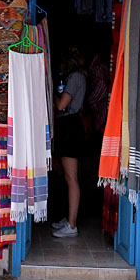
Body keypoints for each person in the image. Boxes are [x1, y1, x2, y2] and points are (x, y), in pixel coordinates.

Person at [51, 47, 86, 238]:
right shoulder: (76, 77)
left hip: (70, 126)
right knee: (68, 177)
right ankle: (69, 220)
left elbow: (62, 104)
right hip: (69, 126)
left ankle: (72, 225)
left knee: (71, 178)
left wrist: (51, 93)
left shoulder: (75, 77)